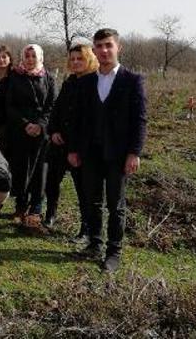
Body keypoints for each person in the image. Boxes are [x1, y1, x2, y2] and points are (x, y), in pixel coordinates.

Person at [67, 28, 147, 272]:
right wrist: (73, 149)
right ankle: (95, 243)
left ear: (117, 48)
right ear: (94, 49)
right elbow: (78, 119)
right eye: (99, 46)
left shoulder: (132, 80)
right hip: (91, 153)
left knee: (116, 204)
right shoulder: (88, 81)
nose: (103, 50)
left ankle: (114, 252)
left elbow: (140, 119)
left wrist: (134, 153)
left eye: (108, 45)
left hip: (118, 154)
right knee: (92, 202)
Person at [44, 43, 98, 233]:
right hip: (60, 143)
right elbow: (57, 110)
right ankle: (50, 215)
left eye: (80, 58)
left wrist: (77, 146)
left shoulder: (95, 83)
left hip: (81, 146)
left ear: (89, 59)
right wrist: (54, 131)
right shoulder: (69, 82)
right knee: (51, 182)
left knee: (83, 189)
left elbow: (89, 120)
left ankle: (86, 227)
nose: (75, 62)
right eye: (72, 59)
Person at [6, 44, 55, 229]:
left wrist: (40, 125)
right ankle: (20, 205)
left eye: (33, 55)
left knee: (39, 171)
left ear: (40, 57)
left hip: (41, 133)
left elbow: (51, 106)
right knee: (21, 168)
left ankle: (36, 209)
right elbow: (10, 105)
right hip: (20, 130)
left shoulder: (48, 78)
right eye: (26, 55)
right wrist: (25, 124)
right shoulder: (16, 76)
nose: (29, 59)